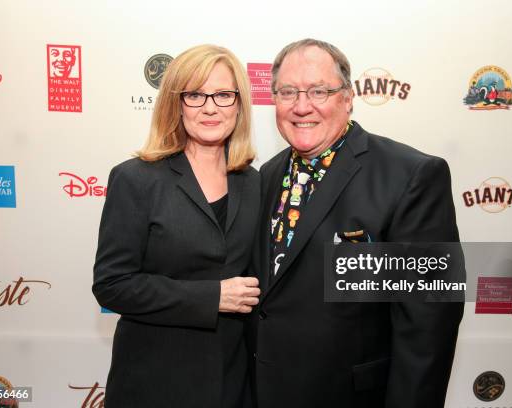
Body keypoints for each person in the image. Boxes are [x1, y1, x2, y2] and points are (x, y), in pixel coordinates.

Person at [251, 39, 464, 407]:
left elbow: (428, 325)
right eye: (288, 92)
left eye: (319, 91)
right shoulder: (268, 175)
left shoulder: (410, 175)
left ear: (348, 97)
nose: (302, 106)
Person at [93, 44, 260, 408]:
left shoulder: (254, 182)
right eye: (195, 95)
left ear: (239, 104)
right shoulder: (136, 179)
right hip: (155, 382)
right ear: (176, 103)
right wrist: (211, 297)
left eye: (223, 94)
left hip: (232, 382)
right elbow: (112, 285)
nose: (210, 106)